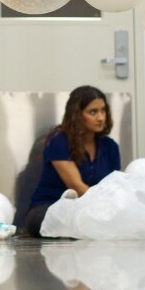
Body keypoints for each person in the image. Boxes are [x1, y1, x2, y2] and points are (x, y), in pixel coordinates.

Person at [24, 85, 122, 238]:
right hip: (50, 207)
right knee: (62, 220)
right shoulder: (59, 140)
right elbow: (76, 186)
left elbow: (114, 187)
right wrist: (104, 210)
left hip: (91, 210)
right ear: (77, 115)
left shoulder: (110, 147)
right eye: (93, 112)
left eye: (103, 110)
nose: (101, 117)